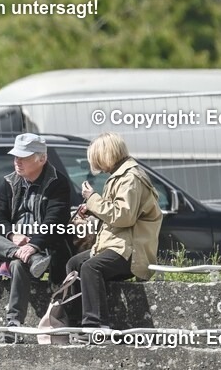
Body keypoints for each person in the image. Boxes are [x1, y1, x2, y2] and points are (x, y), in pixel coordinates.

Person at [0, 133, 73, 337]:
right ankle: (23, 257)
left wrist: (34, 245)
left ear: (42, 159)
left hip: (44, 247)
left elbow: (55, 222)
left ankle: (13, 322)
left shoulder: (58, 183)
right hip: (15, 245)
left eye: (23, 157)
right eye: (15, 156)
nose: (17, 161)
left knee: (19, 264)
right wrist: (12, 236)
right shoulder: (9, 181)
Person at [67, 132, 162, 333]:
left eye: (96, 157)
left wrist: (92, 198)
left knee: (91, 267)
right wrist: (92, 210)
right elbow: (116, 213)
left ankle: (96, 325)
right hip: (116, 245)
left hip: (131, 250)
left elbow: (124, 216)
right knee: (74, 264)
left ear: (106, 155)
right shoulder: (121, 175)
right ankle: (75, 322)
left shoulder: (130, 178)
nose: (94, 163)